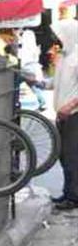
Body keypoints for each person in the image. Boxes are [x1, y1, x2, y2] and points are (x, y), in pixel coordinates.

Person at [51, 14, 78, 211]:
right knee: (63, 156)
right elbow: (58, 84)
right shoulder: (65, 56)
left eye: (61, 35)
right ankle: (67, 192)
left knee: (71, 157)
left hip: (74, 116)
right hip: (62, 116)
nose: (58, 39)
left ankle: (74, 197)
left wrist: (69, 107)